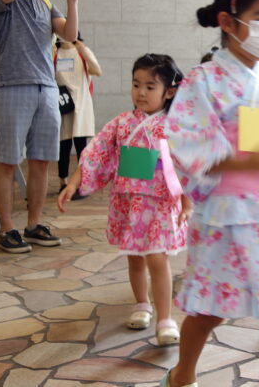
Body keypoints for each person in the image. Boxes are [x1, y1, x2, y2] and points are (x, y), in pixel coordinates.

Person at [160, 0, 259, 387]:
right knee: (208, 309)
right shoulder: (205, 80)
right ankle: (182, 374)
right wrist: (256, 161)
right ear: (228, 21)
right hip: (226, 216)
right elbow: (190, 145)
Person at [58, 54, 190, 346]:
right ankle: (142, 303)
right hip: (129, 202)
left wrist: (188, 200)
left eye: (150, 86)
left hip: (159, 202)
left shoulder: (176, 125)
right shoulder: (121, 123)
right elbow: (96, 151)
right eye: (136, 84)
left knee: (157, 258)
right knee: (134, 258)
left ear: (169, 91)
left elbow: (188, 164)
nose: (141, 92)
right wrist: (75, 182)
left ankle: (165, 318)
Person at [0, 0, 80, 253]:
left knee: (41, 161)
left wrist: (72, 1)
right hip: (12, 87)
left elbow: (69, 34)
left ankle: (34, 223)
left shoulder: (43, 2)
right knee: (8, 162)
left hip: (47, 88)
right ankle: (7, 228)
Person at [55, 32, 102, 199]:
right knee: (63, 145)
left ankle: (84, 182)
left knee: (82, 146)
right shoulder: (55, 52)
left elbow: (97, 71)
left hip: (81, 104)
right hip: (63, 104)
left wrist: (84, 51)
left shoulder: (81, 52)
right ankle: (63, 182)